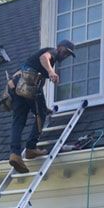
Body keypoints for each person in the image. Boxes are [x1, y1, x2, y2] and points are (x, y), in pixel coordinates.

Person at [8, 39, 76, 173]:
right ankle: (31, 148)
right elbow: (44, 57)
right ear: (60, 47)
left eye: (69, 54)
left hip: (16, 85)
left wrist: (42, 106)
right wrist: (51, 72)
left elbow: (39, 72)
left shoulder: (41, 63)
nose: (66, 55)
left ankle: (15, 154)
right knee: (41, 114)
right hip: (28, 84)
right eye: (66, 52)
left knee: (19, 121)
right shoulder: (52, 52)